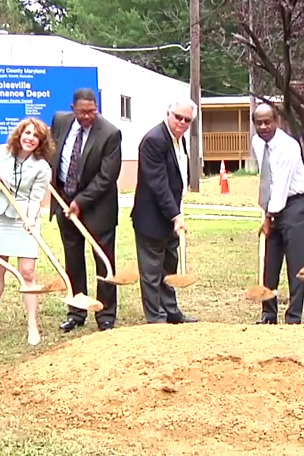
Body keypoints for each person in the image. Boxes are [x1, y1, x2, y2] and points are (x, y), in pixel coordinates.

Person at [48, 89, 122, 333]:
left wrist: (80, 201)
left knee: (104, 260)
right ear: (73, 109)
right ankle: (77, 311)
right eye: (83, 112)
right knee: (73, 260)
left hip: (97, 205)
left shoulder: (110, 133)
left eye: (92, 111)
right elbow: (50, 154)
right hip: (64, 202)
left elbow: (107, 176)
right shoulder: (60, 121)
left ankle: (106, 314)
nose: (88, 116)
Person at [0, 118, 54, 345]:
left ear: (41, 142)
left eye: (36, 136)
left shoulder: (42, 168)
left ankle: (32, 324)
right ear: (20, 134)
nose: (30, 138)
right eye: (27, 133)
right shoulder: (2, 153)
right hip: (1, 217)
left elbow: (35, 198)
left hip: (25, 220)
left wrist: (30, 219)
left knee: (27, 273)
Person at [130, 98, 200, 324]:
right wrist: (175, 215)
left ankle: (171, 312)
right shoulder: (154, 140)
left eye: (187, 120)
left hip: (171, 217)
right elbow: (158, 183)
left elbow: (177, 178)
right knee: (151, 271)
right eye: (178, 116)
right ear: (168, 113)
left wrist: (177, 213)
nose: (181, 122)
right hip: (152, 218)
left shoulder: (178, 141)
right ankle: (156, 317)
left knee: (169, 266)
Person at [251, 104, 304, 325]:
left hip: (296, 205)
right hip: (273, 205)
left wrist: (268, 218)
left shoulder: (288, 147)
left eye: (268, 121)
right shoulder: (258, 143)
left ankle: (293, 317)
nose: (264, 126)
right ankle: (268, 314)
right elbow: (268, 180)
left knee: (297, 265)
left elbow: (282, 186)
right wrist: (267, 213)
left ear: (276, 121)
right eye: (259, 122)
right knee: (270, 261)